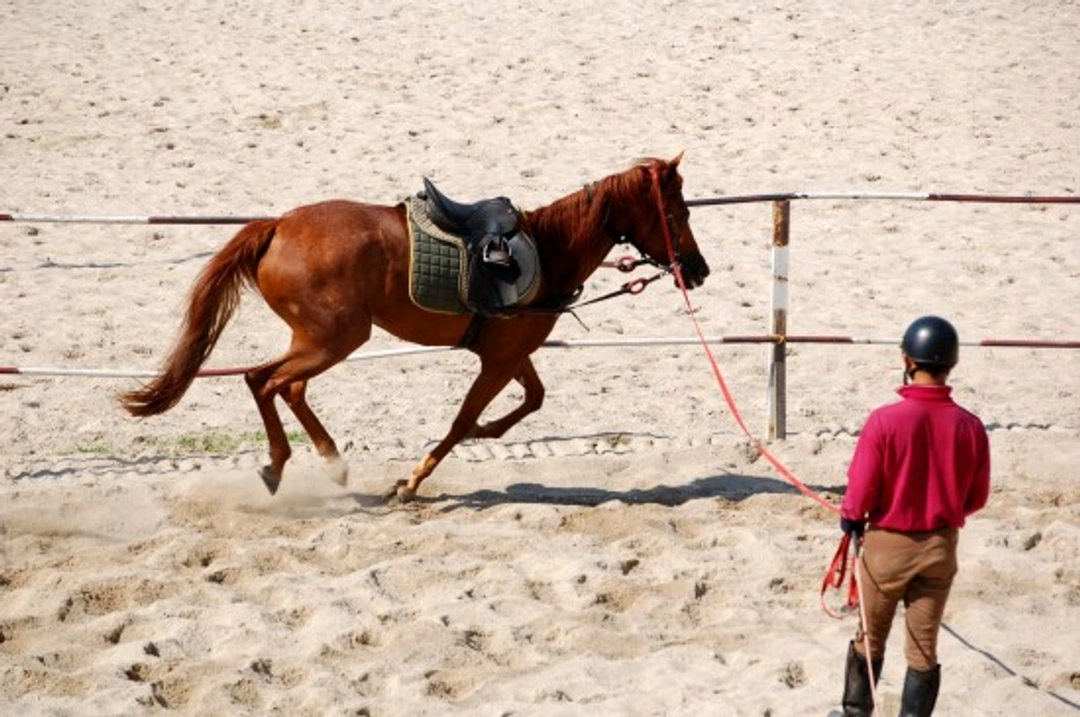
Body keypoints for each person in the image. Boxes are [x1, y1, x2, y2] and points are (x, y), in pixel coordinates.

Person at [835, 315, 991, 717]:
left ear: (908, 360)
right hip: (941, 547)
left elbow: (861, 491)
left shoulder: (884, 421)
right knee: (923, 647)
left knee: (869, 640)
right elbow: (975, 498)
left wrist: (851, 517)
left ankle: (856, 712)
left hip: (888, 546)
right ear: (951, 364)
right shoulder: (971, 426)